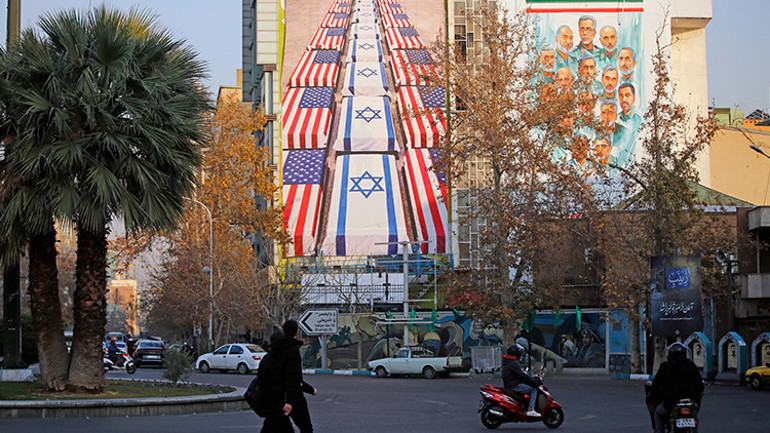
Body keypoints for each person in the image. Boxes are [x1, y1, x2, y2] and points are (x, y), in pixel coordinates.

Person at [648, 342, 704, 433]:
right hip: (690, 403)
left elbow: (655, 386)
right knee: (694, 415)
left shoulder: (665, 367)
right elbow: (699, 385)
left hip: (670, 404)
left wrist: (657, 394)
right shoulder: (691, 366)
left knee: (658, 412)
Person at [273, 320, 315, 433]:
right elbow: (293, 377)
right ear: (296, 332)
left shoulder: (275, 350)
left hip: (276, 396)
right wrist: (289, 402)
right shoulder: (292, 350)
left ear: (283, 331)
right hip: (294, 398)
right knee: (306, 428)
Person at [258, 331, 294, 433]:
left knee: (269, 426)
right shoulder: (281, 359)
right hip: (278, 403)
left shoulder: (265, 359)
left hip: (267, 402)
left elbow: (260, 380)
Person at [502, 343, 541, 417]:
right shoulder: (512, 363)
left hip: (511, 383)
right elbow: (522, 375)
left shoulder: (508, 361)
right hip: (513, 385)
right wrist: (533, 380)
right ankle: (531, 410)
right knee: (533, 390)